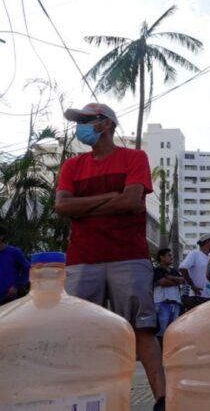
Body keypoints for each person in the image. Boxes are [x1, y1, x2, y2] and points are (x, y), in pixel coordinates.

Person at [54, 103, 165, 411]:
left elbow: (131, 201)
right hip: (82, 260)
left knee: (142, 328)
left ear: (106, 124)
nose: (80, 127)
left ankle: (161, 400)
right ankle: (81, 397)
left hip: (128, 257)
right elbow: (62, 207)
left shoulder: (134, 157)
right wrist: (108, 198)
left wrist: (84, 205)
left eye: (86, 121)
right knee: (81, 331)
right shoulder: (72, 166)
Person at [153, 248, 184, 348]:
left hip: (175, 303)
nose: (171, 257)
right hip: (162, 303)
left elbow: (182, 280)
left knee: (173, 330)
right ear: (162, 257)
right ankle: (160, 352)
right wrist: (176, 280)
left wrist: (171, 278)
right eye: (169, 255)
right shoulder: (157, 270)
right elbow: (163, 283)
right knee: (162, 331)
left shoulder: (173, 271)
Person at [179, 234, 210, 309]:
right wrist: (192, 285)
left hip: (209, 297)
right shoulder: (195, 253)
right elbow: (182, 267)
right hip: (196, 297)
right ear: (208, 241)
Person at [0, 222, 30, 305]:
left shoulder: (14, 252)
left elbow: (27, 268)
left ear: (2, 236)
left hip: (7, 297)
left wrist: (16, 286)